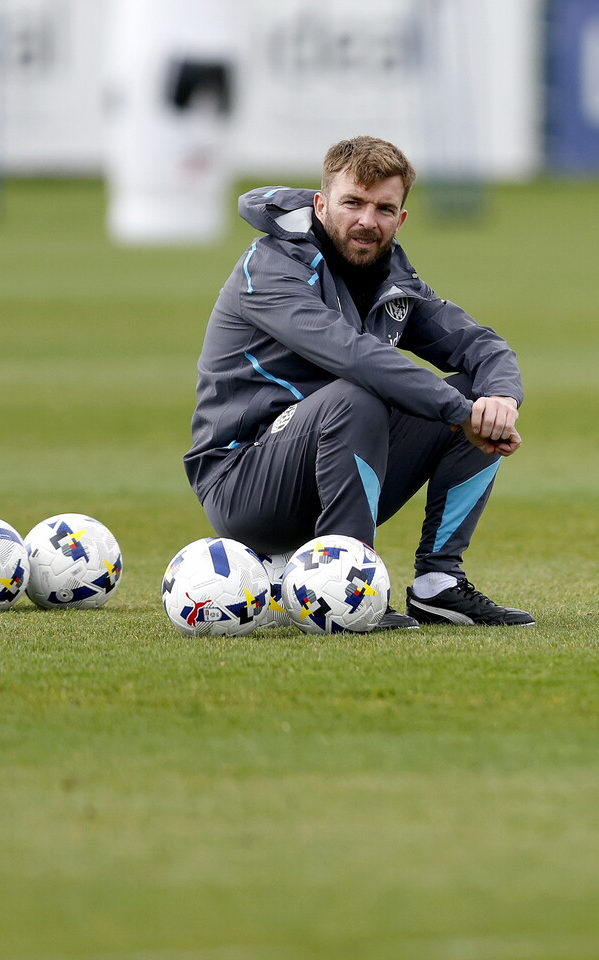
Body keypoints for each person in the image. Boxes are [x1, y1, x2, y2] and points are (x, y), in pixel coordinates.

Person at [183, 135, 533, 628]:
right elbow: (354, 356)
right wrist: (459, 414)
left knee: (476, 395)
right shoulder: (271, 267)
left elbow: (481, 345)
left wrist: (500, 400)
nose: (368, 220)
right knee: (362, 393)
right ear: (322, 204)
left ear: (401, 218)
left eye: (384, 208)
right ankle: (348, 589)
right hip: (242, 484)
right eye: (353, 203)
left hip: (333, 463)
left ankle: (439, 583)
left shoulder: (391, 278)